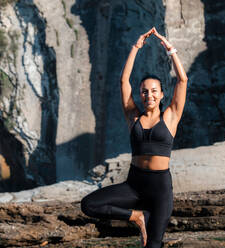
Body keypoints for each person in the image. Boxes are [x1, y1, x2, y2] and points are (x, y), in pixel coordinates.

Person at [81, 27, 188, 248]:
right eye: (145, 91)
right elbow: (123, 81)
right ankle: (137, 216)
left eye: (154, 90)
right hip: (134, 185)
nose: (149, 95)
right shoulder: (133, 117)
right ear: (140, 94)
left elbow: (182, 80)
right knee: (89, 205)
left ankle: (144, 219)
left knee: (154, 246)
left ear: (161, 94)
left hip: (160, 189)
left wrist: (170, 49)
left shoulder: (171, 116)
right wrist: (135, 47)